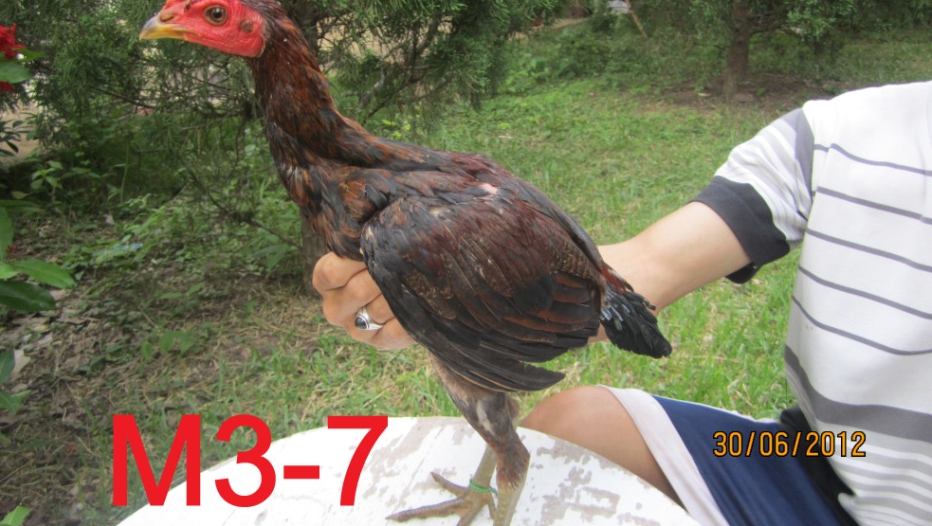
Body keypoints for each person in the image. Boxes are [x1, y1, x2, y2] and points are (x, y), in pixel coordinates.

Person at [312, 81, 932, 526]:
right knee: (574, 427)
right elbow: (649, 265)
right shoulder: (839, 135)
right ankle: (485, 488)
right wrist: (465, 288)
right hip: (813, 453)